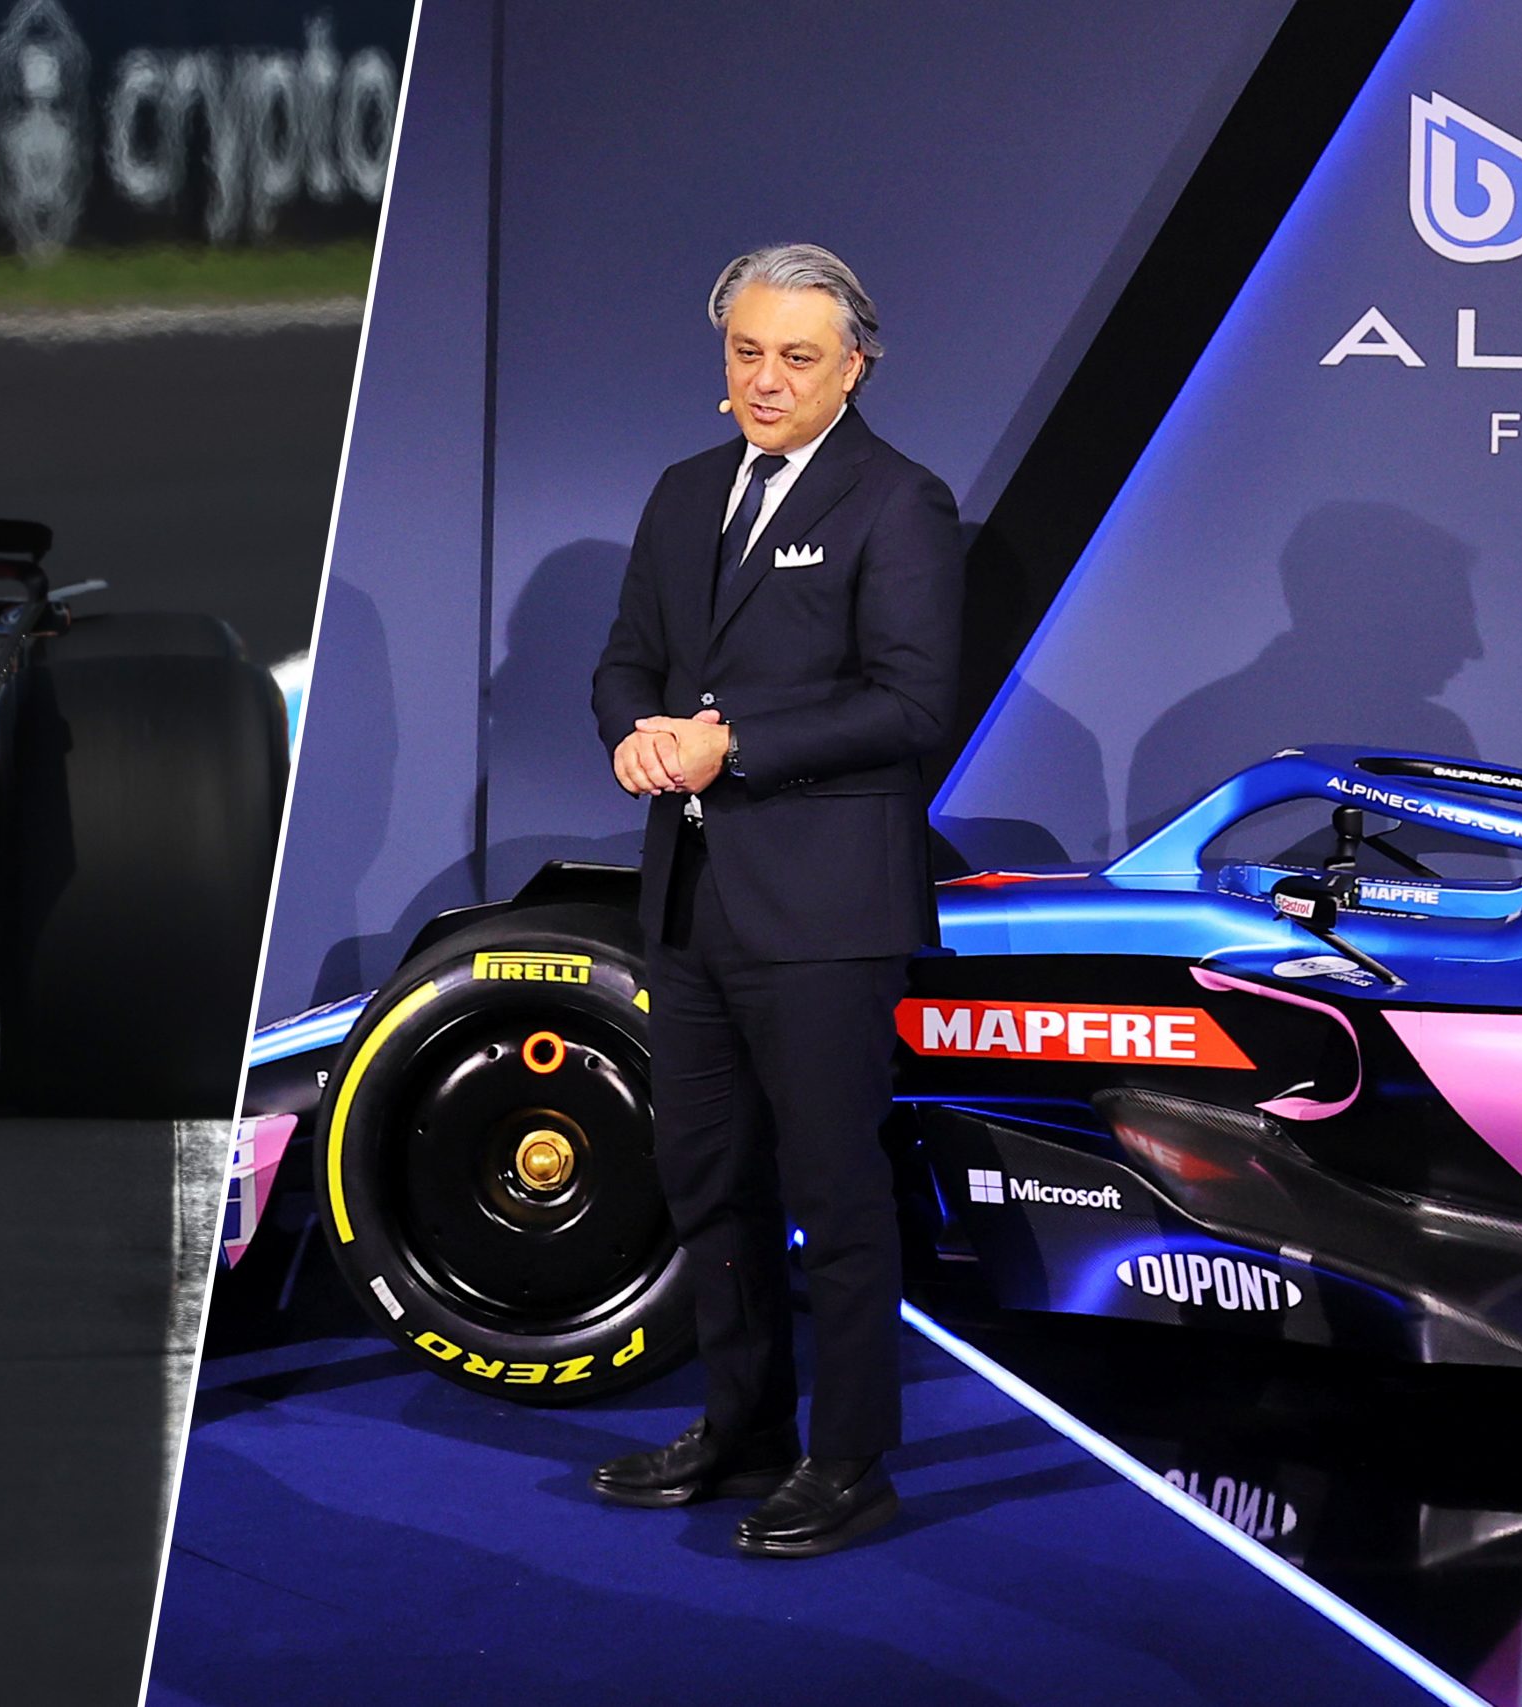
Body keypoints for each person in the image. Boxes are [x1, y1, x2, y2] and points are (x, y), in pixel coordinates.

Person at [587, 243, 962, 1557]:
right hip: (689, 905)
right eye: (747, 351)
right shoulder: (687, 492)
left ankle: (849, 1458)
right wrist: (634, 731)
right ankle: (742, 1428)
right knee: (708, 1183)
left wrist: (727, 740)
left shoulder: (898, 501)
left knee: (836, 1196)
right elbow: (629, 660)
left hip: (824, 916)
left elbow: (913, 705)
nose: (766, 378)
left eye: (797, 357)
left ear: (854, 367)